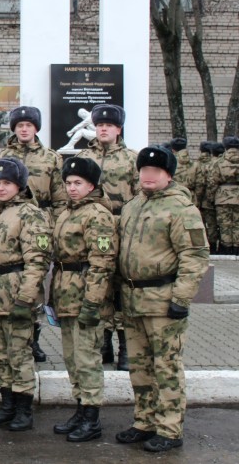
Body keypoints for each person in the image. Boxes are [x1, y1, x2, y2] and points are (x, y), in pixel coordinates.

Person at [116, 146, 209, 452]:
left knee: (166, 367)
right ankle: (144, 421)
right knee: (139, 367)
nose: (148, 176)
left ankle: (169, 428)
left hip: (163, 302)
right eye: (144, 170)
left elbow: (194, 256)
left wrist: (182, 297)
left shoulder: (181, 209)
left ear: (169, 175)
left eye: (155, 171)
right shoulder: (132, 206)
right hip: (133, 300)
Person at [0, 157, 51, 432]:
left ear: (19, 185)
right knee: (1, 354)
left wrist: (26, 299)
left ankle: (23, 409)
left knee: (19, 353)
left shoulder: (30, 215)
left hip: (17, 293)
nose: (0, 188)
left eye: (6, 183)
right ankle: (7, 405)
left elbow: (37, 261)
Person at [50, 157, 117, 442]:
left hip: (86, 295)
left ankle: (92, 416)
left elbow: (102, 263)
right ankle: (80, 408)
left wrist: (93, 303)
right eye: (68, 183)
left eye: (78, 183)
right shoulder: (67, 212)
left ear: (92, 185)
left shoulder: (97, 215)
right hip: (66, 294)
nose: (72, 188)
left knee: (88, 359)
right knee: (72, 358)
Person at [0, 106, 66, 363]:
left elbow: (60, 198)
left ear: (36, 128)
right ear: (13, 128)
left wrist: (56, 229)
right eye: (19, 125)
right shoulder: (3, 156)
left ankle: (33, 339)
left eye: (29, 125)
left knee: (35, 281)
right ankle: (8, 336)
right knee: (11, 278)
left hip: (42, 224)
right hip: (9, 225)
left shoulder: (51, 158)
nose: (24, 129)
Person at [77, 104, 138, 371]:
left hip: (122, 230)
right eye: (99, 125)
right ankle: (103, 345)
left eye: (109, 125)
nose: (103, 128)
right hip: (91, 232)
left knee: (122, 288)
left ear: (118, 129)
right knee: (97, 285)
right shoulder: (83, 157)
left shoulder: (132, 159)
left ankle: (125, 347)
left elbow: (139, 197)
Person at [207, 136, 239, 254]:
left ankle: (226, 250)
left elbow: (212, 182)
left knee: (225, 225)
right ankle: (237, 249)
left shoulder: (219, 162)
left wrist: (210, 198)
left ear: (225, 147)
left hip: (222, 198)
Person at [193, 141, 217, 252]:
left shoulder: (195, 165)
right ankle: (212, 246)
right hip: (212, 199)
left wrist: (197, 198)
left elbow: (198, 183)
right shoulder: (214, 164)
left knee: (198, 224)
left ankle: (200, 247)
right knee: (212, 224)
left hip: (197, 199)